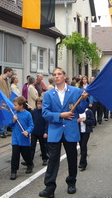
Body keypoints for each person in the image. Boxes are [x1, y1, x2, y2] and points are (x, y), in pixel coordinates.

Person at [39, 67, 89, 197]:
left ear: (64, 76)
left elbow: (81, 109)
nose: (57, 76)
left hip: (71, 131)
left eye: (59, 74)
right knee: (53, 160)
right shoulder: (48, 94)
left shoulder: (75, 91)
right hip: (55, 131)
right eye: (54, 74)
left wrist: (84, 98)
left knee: (72, 159)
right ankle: (49, 187)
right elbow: (45, 113)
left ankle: (71, 182)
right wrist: (61, 115)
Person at [9, 96, 34, 180]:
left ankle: (29, 164)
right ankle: (13, 171)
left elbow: (31, 125)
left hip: (24, 138)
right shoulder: (14, 114)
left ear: (21, 105)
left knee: (26, 154)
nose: (14, 106)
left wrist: (27, 131)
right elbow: (10, 125)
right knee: (15, 155)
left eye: (15, 105)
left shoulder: (27, 114)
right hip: (16, 138)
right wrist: (13, 120)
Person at [30, 97, 49, 166]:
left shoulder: (44, 112)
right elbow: (30, 121)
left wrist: (46, 132)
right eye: (38, 104)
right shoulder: (33, 112)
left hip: (42, 132)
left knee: (43, 146)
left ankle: (45, 158)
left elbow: (47, 123)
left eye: (40, 104)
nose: (39, 105)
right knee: (32, 146)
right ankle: (30, 160)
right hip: (34, 132)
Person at [0, 67, 13, 138]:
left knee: (6, 116)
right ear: (8, 72)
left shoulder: (7, 80)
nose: (11, 74)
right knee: (3, 116)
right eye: (11, 72)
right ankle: (1, 131)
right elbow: (0, 91)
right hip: (2, 100)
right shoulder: (0, 79)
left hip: (7, 100)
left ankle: (4, 131)